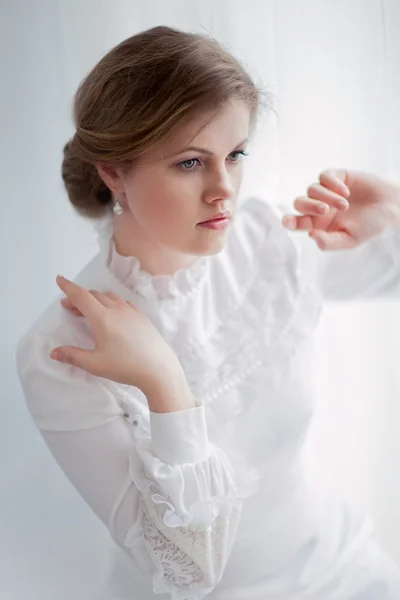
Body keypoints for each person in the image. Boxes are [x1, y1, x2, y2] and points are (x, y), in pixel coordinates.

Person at [15, 25, 400, 600]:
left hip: (339, 568)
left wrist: (394, 211)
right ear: (114, 170)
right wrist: (165, 385)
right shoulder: (62, 351)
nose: (225, 189)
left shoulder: (269, 242)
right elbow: (187, 574)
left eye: (236, 154)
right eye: (191, 164)